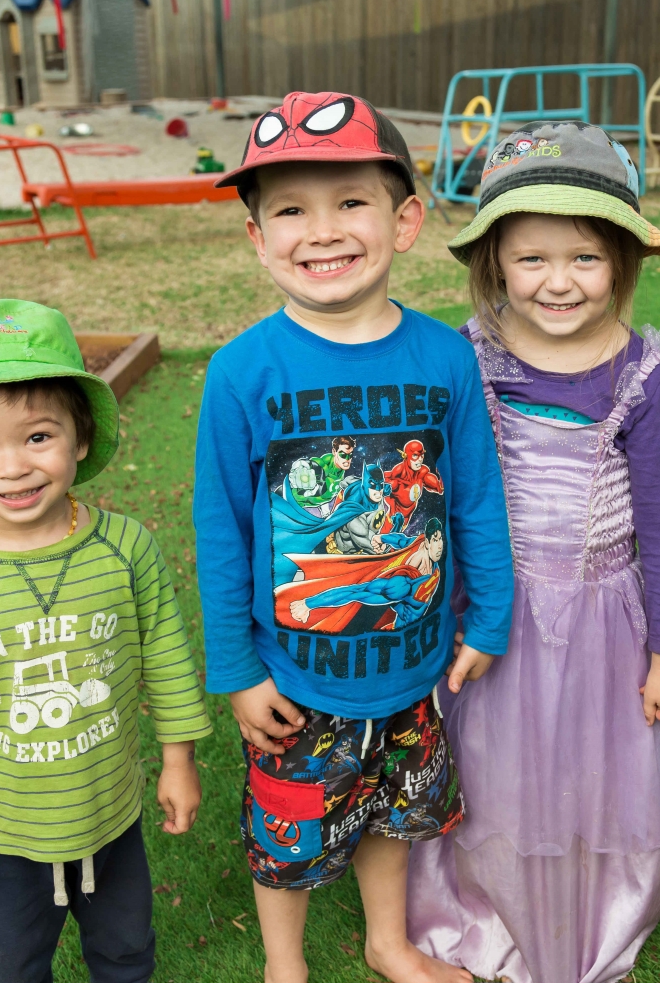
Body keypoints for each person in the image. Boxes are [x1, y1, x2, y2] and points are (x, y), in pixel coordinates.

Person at [192, 91, 515, 983]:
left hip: (414, 666)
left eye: (350, 202)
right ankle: (283, 963)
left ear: (405, 220)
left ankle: (388, 941)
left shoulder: (444, 358)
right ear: (258, 237)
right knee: (288, 830)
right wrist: (238, 671)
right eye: (290, 209)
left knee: (395, 812)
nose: (321, 230)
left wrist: (489, 618)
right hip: (295, 680)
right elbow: (220, 532)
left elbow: (477, 499)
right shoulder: (241, 372)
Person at [406, 120, 660, 983]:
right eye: (532, 258)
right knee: (494, 766)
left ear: (621, 260)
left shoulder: (638, 373)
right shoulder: (469, 358)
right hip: (491, 612)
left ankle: (597, 893)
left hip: (604, 613)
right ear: (495, 259)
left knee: (595, 765)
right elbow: (444, 498)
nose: (558, 281)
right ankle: (485, 899)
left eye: (583, 258)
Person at [0, 299, 212, 983]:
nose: (13, 467)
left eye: (38, 436)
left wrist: (177, 759)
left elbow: (168, 659)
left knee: (126, 949)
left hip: (110, 812)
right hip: (3, 831)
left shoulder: (126, 548)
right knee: (8, 965)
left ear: (81, 436)